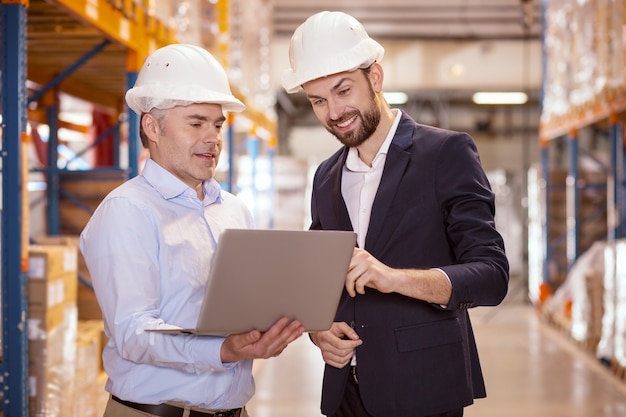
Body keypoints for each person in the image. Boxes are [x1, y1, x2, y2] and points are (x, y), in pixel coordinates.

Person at [281, 11, 510, 417]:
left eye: (343, 90)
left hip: (422, 390)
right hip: (344, 395)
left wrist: (393, 279)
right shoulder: (325, 176)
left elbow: (491, 276)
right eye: (318, 100)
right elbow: (319, 279)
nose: (334, 111)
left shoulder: (445, 154)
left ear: (376, 78)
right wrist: (319, 331)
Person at [80, 44, 305, 417]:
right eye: (196, 123)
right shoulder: (128, 211)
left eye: (217, 125)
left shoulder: (233, 210)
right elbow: (135, 333)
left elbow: (244, 308)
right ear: (152, 126)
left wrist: (267, 330)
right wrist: (223, 350)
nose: (213, 138)